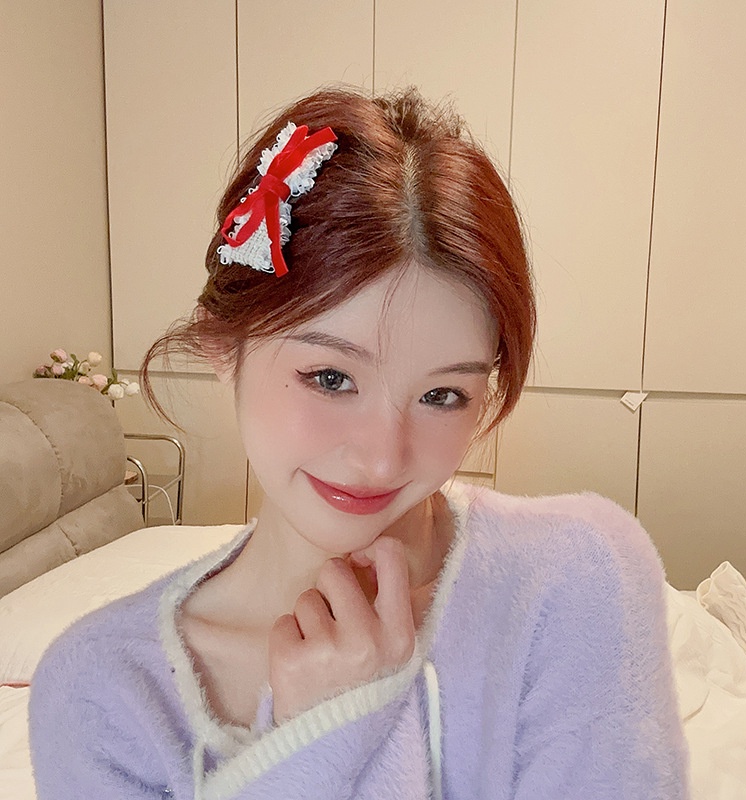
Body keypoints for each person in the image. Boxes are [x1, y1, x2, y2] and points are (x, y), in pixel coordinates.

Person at [28, 87, 689, 799]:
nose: (382, 458)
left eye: (443, 395)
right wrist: (324, 735)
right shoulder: (100, 695)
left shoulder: (581, 575)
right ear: (224, 347)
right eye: (331, 378)